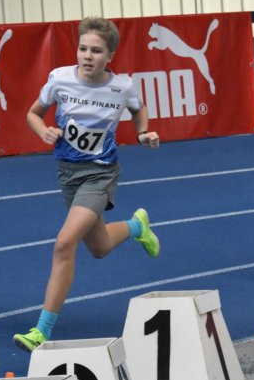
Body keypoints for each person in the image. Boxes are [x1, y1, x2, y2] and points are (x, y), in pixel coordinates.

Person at [13, 17, 161, 351]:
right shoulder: (60, 79)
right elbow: (33, 113)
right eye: (83, 49)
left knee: (64, 243)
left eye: (96, 51)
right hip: (68, 174)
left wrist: (142, 133)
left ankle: (41, 331)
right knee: (99, 247)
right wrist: (43, 131)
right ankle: (137, 227)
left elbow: (138, 110)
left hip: (100, 174)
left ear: (110, 56)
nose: (87, 56)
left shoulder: (121, 87)